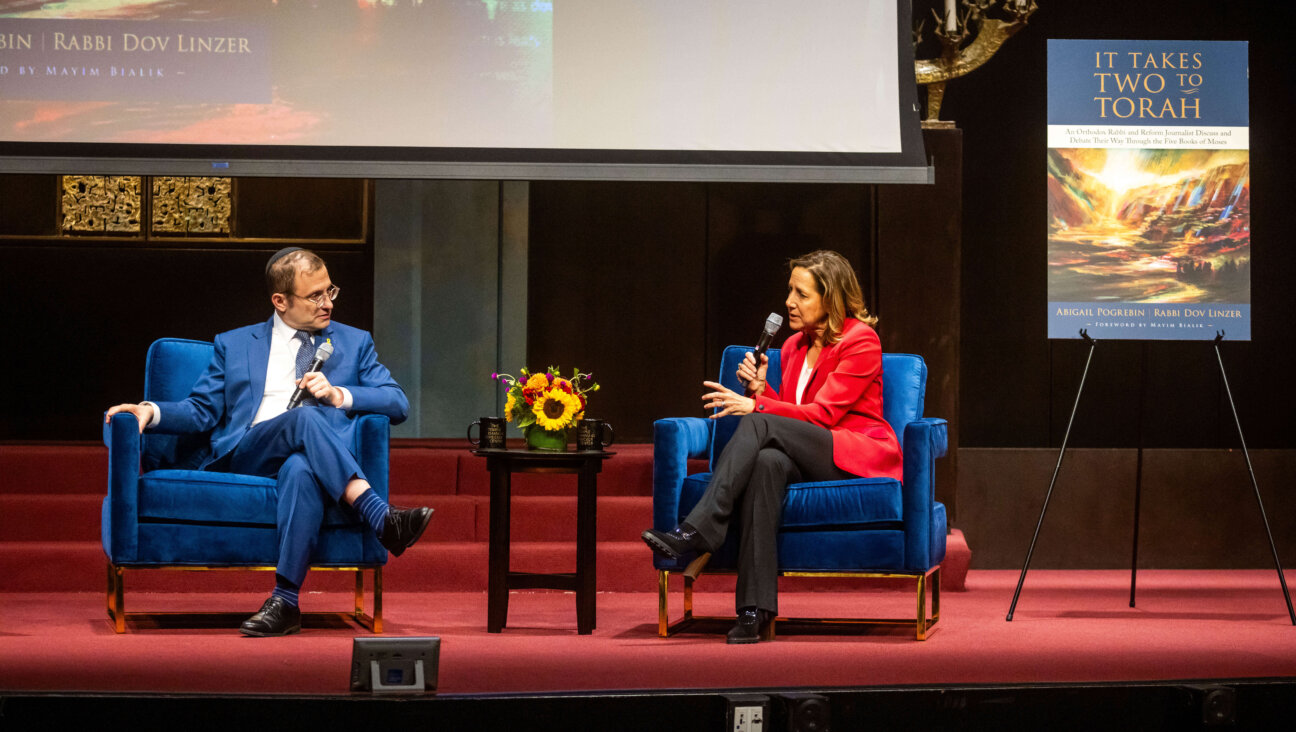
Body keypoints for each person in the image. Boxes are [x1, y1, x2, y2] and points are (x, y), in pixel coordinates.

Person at [105, 247, 431, 637]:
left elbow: (397, 402)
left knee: (301, 468)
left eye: (331, 291)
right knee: (303, 417)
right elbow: (200, 411)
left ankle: (286, 602)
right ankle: (378, 514)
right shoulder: (236, 344)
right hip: (248, 454)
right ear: (280, 301)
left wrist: (339, 394)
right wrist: (149, 411)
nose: (328, 303)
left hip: (318, 461)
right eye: (315, 296)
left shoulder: (355, 342)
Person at [641, 249, 902, 644]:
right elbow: (795, 415)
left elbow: (824, 415)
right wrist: (762, 390)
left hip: (852, 453)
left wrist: (756, 405)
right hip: (810, 446)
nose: (788, 302)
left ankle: (699, 529)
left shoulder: (860, 340)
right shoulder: (796, 345)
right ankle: (753, 610)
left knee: (760, 421)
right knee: (766, 462)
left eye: (800, 293)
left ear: (829, 298)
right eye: (789, 291)